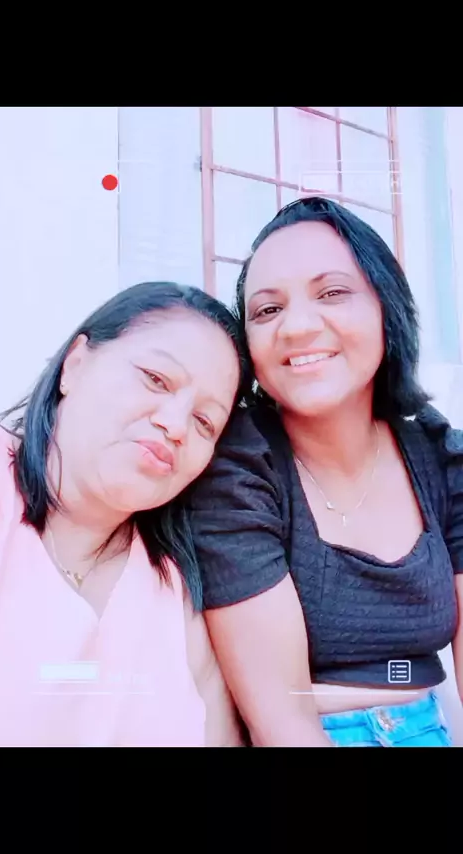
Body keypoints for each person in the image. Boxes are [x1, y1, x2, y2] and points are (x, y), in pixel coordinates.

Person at [187, 196, 463, 747]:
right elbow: (281, 719)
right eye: (267, 310)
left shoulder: (440, 456)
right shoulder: (238, 469)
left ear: (386, 306)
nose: (296, 327)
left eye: (332, 293)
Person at [0, 281, 249, 747]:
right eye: (155, 379)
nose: (175, 425)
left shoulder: (177, 596)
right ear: (75, 364)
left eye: (205, 421)